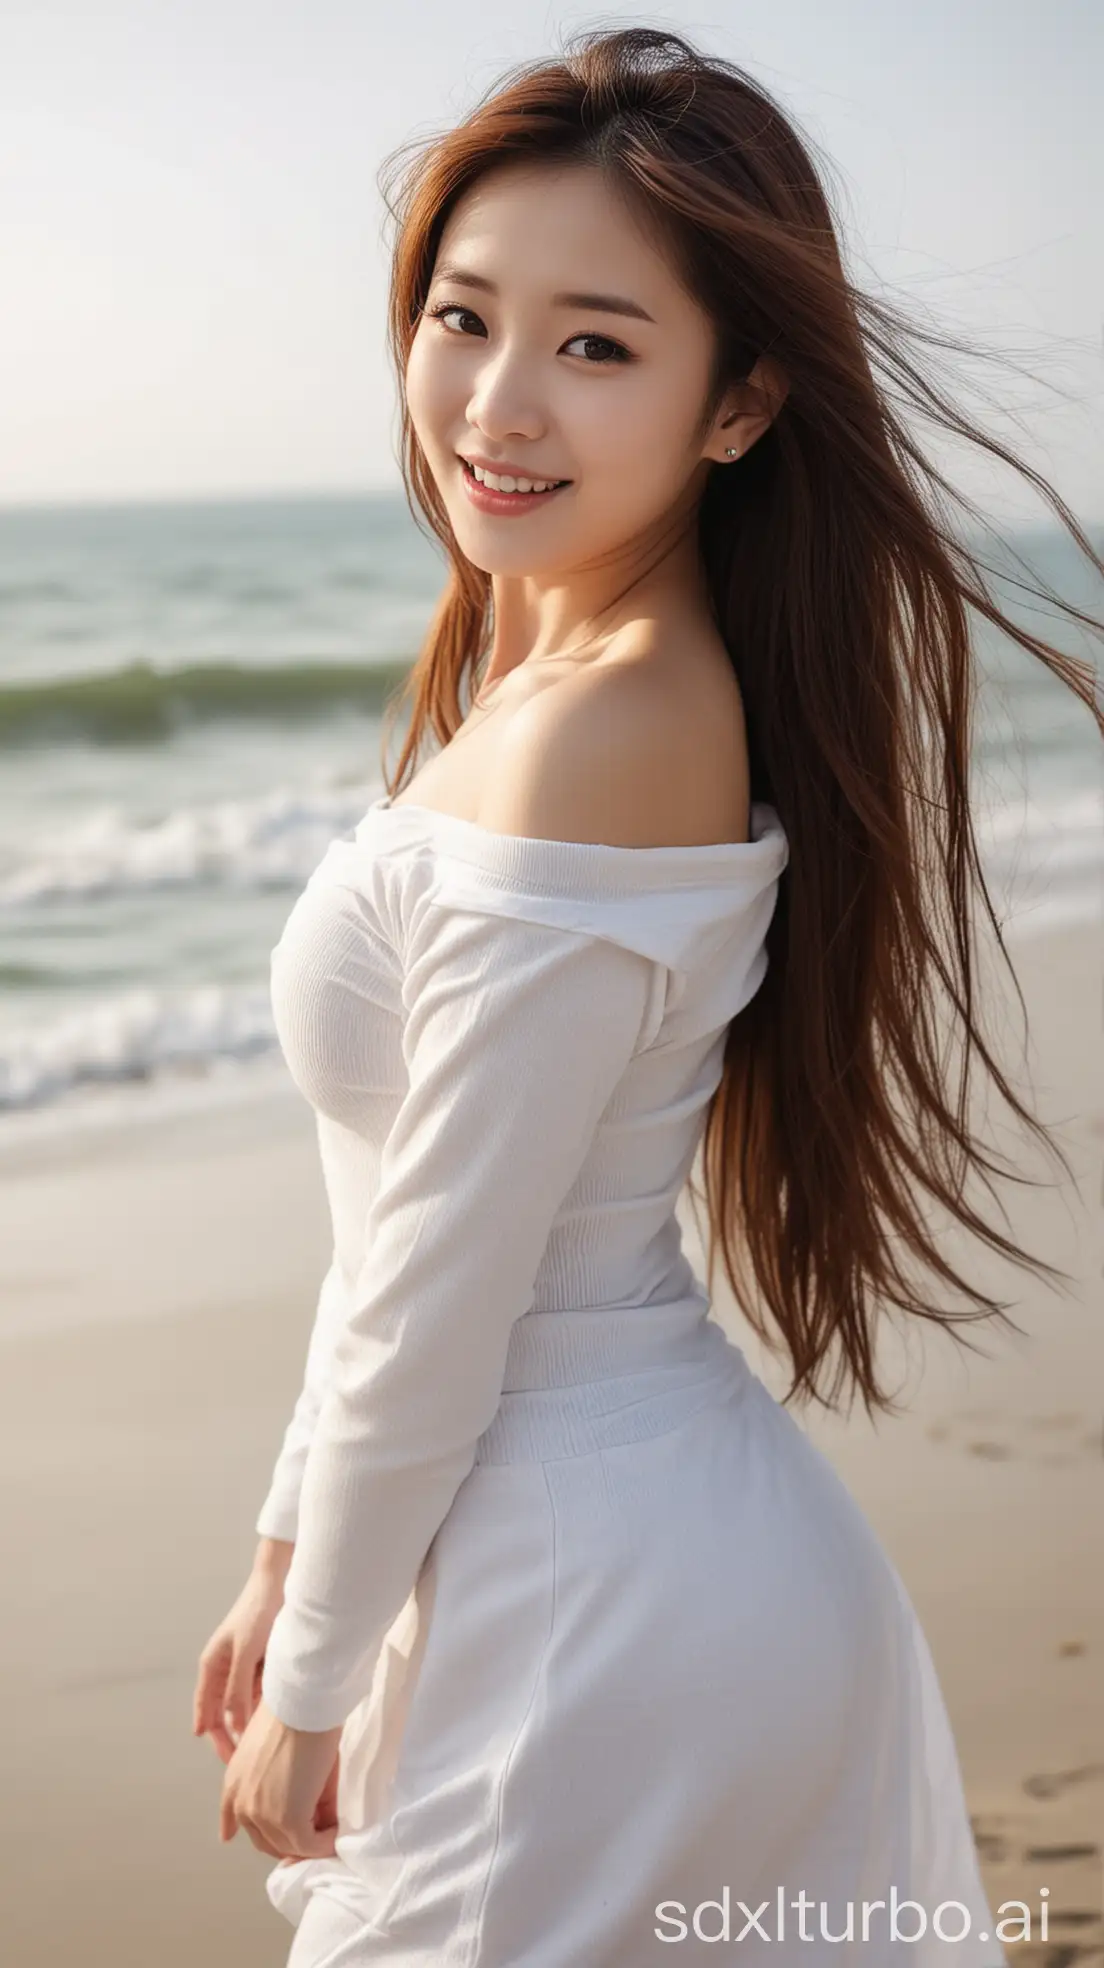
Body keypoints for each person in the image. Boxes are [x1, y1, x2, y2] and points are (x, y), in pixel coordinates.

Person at [192, 25, 1103, 1966]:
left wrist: (319, 1675)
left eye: (597, 343)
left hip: (586, 1615)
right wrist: (290, 1557)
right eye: (463, 317)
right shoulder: (548, 681)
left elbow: (446, 1294)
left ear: (742, 400)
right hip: (578, 1559)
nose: (498, 403)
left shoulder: (604, 728)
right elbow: (399, 1221)